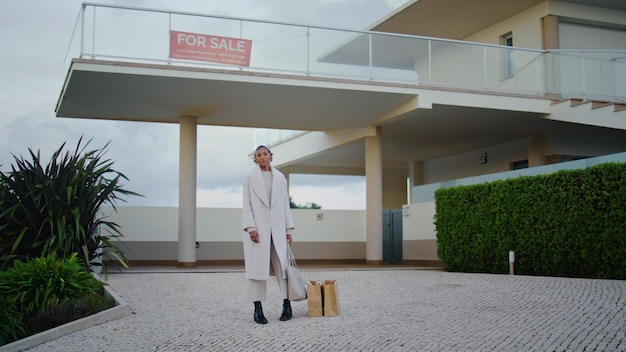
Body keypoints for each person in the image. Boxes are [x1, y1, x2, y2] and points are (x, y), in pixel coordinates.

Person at [242, 145, 295, 324]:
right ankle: (258, 309)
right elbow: (246, 204)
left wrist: (288, 229)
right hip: (258, 230)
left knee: (283, 268)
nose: (262, 157)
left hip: (278, 229)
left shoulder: (280, 177)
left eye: (265, 154)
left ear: (271, 156)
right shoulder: (250, 177)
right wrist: (250, 228)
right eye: (258, 155)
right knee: (257, 269)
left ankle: (287, 305)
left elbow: (285, 205)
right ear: (255, 159)